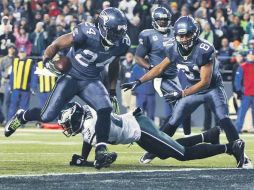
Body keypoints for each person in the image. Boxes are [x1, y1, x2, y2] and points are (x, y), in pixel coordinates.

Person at [4, 7, 130, 169]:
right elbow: (56, 44)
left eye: (120, 32)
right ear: (103, 27)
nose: (117, 36)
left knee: (105, 108)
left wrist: (112, 90)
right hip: (71, 76)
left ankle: (101, 150)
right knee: (47, 115)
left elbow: (114, 63)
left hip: (91, 80)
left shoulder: (122, 43)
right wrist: (47, 59)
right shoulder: (87, 32)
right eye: (114, 32)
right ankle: (23, 116)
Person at [121, 16, 252, 168]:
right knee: (173, 121)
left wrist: (182, 93)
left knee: (224, 118)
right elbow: (159, 68)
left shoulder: (204, 49)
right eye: (180, 35)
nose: (183, 39)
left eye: (187, 35)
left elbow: (205, 82)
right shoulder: (173, 48)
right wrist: (139, 81)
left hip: (212, 89)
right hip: (192, 89)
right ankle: (154, 151)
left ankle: (242, 155)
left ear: (194, 34)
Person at [58, 102, 245, 169]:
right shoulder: (88, 113)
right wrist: (83, 158)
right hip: (137, 130)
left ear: (76, 119)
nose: (67, 127)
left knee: (182, 154)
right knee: (165, 151)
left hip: (140, 129)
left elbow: (103, 160)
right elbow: (88, 139)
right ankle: (209, 135)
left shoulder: (89, 125)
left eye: (67, 124)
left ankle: (230, 148)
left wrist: (88, 162)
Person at [134, 7, 191, 135]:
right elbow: (138, 57)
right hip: (160, 77)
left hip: (175, 74)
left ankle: (183, 136)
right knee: (182, 104)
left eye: (165, 20)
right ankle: (163, 138)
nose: (163, 23)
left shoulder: (174, 32)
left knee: (184, 106)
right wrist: (150, 68)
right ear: (154, 21)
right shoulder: (147, 35)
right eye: (160, 20)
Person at [234, 49, 254, 133]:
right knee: (241, 113)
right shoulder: (242, 66)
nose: (250, 56)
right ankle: (237, 130)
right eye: (249, 55)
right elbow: (237, 80)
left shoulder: (242, 66)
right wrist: (238, 91)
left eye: (252, 55)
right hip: (246, 94)